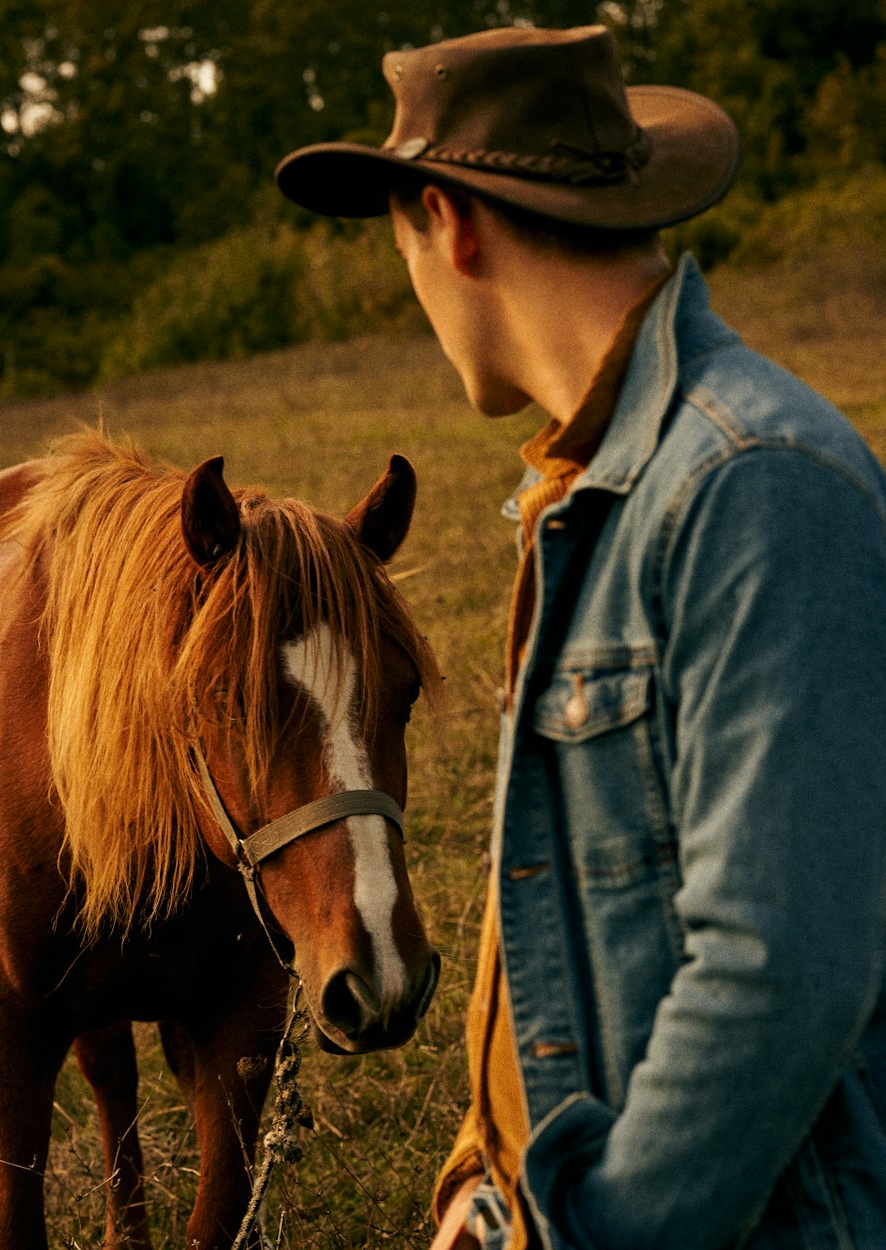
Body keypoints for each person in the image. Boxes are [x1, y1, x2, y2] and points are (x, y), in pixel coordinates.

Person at [275, 24, 886, 1250]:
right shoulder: (591, 491)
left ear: (449, 222)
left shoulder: (751, 484)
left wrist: (587, 1227)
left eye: (399, 241)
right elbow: (563, 901)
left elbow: (775, 979)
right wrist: (481, 1173)